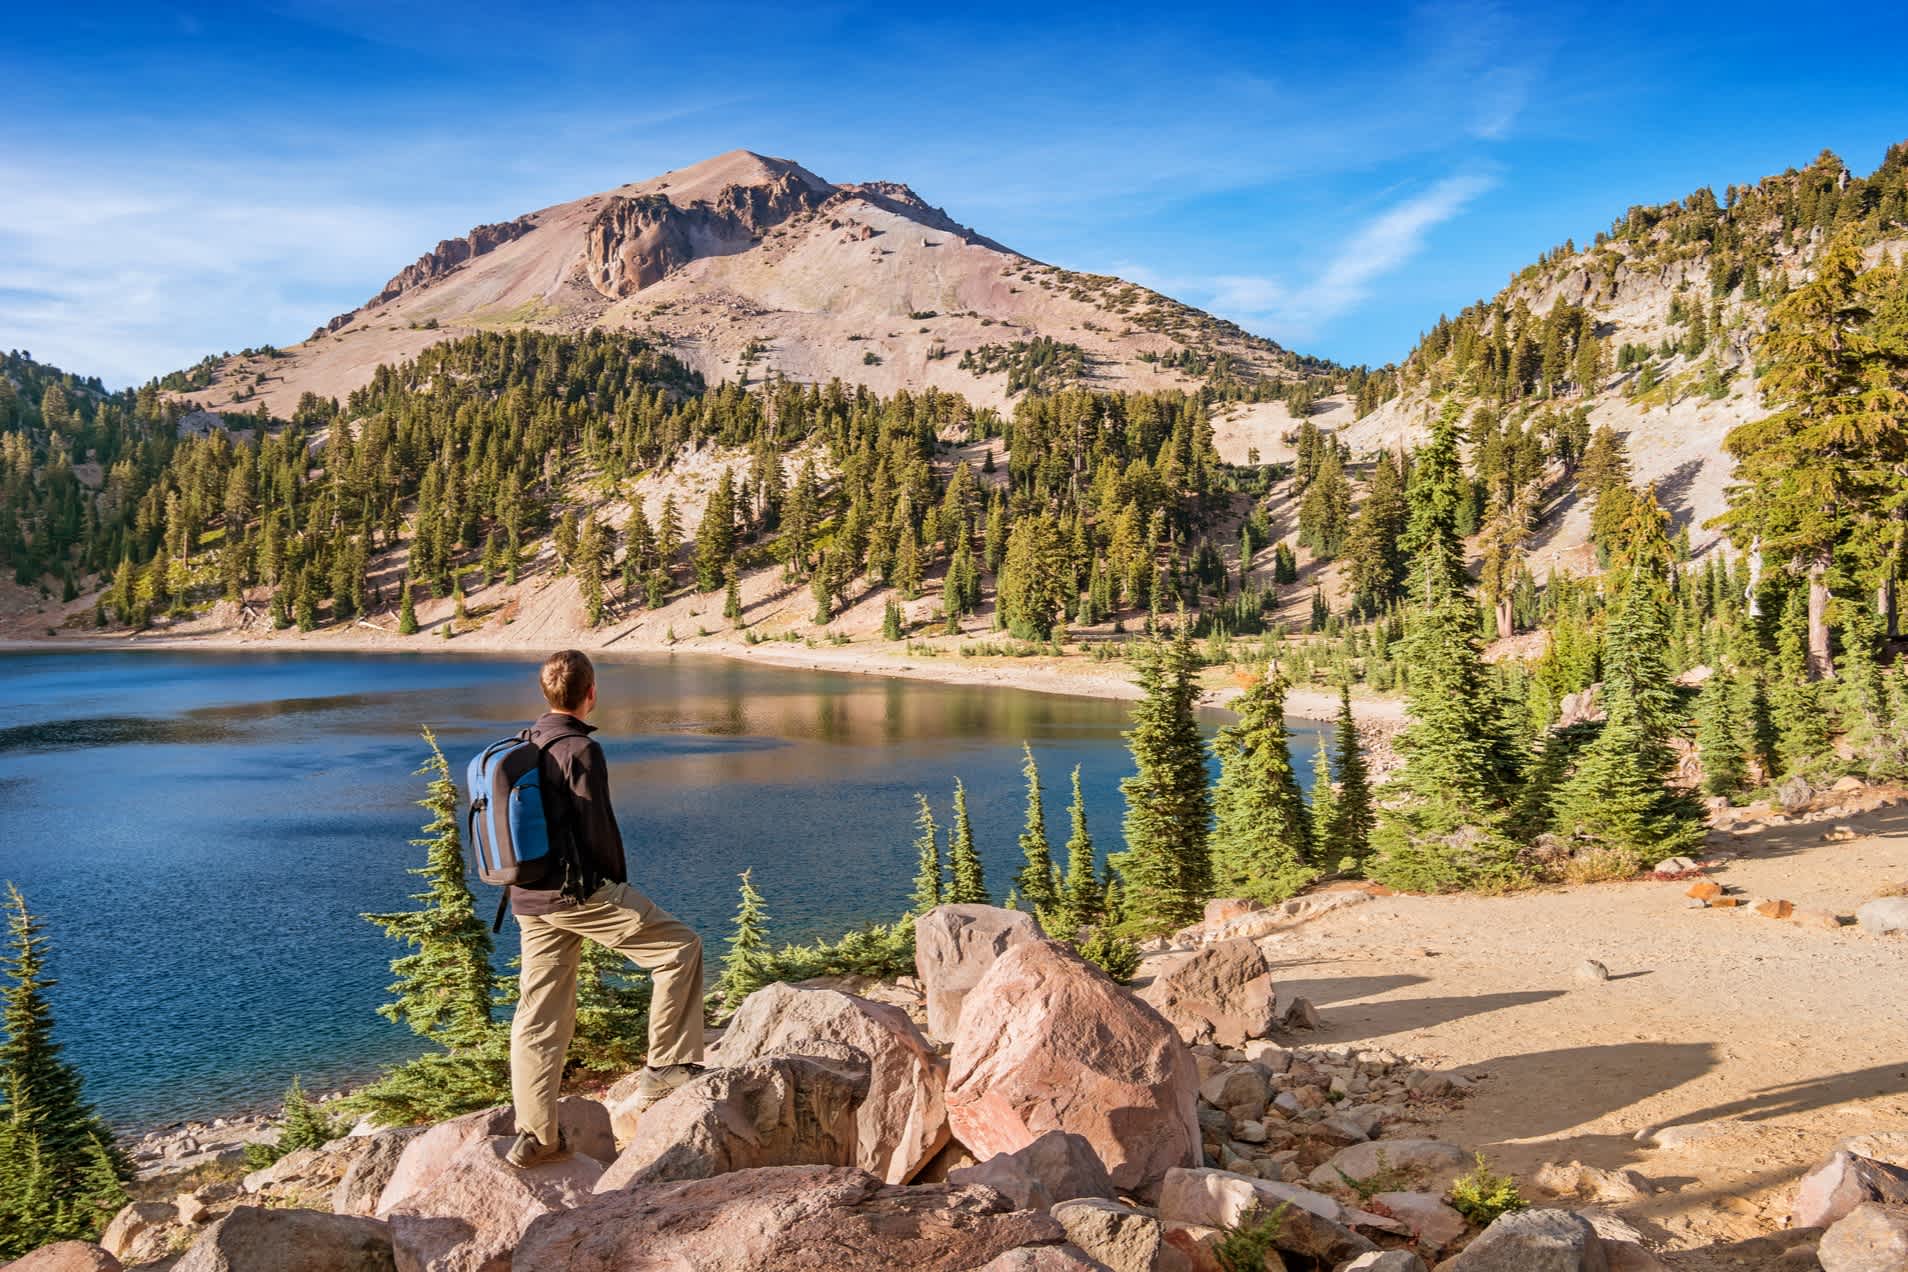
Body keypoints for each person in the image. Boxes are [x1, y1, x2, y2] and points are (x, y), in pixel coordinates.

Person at [505, 649, 705, 1168]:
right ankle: (667, 1067)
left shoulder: (527, 742)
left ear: (545, 694)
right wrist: (616, 886)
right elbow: (599, 832)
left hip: (528, 897)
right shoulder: (579, 750)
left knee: (540, 1013)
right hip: (576, 895)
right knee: (679, 948)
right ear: (591, 693)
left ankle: (535, 1133)